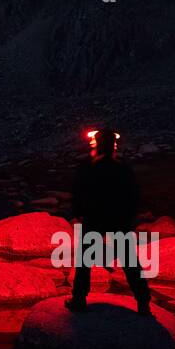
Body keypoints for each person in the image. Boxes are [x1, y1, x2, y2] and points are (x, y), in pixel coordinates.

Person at [66, 127, 152, 316]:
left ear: (97, 144)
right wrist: (130, 218)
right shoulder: (121, 168)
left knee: (84, 261)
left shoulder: (88, 167)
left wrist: (79, 213)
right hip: (118, 220)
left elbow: (78, 192)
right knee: (130, 262)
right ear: (113, 146)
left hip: (94, 218)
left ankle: (79, 299)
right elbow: (133, 195)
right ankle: (143, 302)